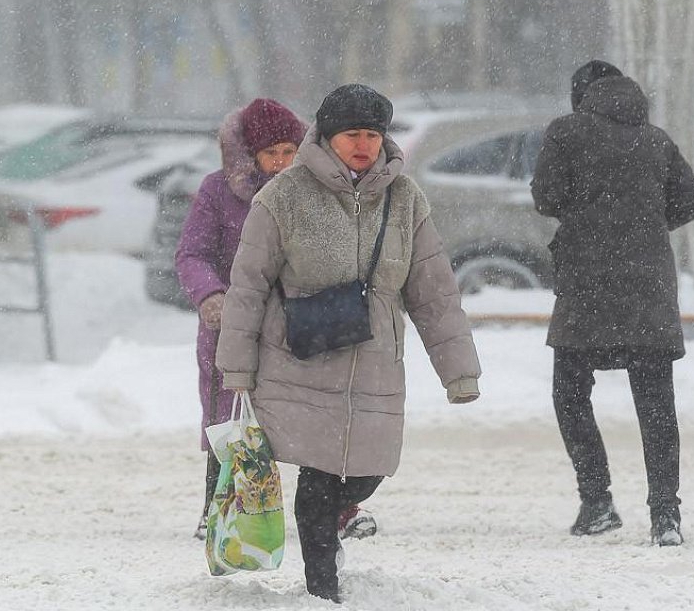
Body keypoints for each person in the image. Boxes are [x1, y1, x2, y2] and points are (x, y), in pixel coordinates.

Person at [215, 84, 481, 603]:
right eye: (351, 134)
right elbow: (248, 286)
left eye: (372, 134)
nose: (363, 144)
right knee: (317, 477)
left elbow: (434, 292)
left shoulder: (405, 199)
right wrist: (237, 369)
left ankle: (335, 530)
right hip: (301, 357)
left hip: (377, 359)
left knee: (368, 471)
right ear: (327, 136)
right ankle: (323, 588)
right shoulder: (283, 196)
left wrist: (459, 370)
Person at [174, 97, 377, 542]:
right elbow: (192, 254)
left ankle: (338, 511)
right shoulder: (217, 192)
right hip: (235, 325)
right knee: (229, 422)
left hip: (300, 324)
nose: (281, 162)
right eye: (271, 153)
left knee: (315, 416)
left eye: (289, 151)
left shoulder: (318, 191)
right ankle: (219, 508)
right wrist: (211, 295)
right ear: (250, 154)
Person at [530, 61, 694, 547]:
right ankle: (666, 516)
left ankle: (597, 501)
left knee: (570, 395)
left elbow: (546, 198)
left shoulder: (565, 133)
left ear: (580, 96)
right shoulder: (656, 139)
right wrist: (643, 225)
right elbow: (691, 201)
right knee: (656, 405)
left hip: (586, 287)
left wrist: (591, 216)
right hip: (648, 287)